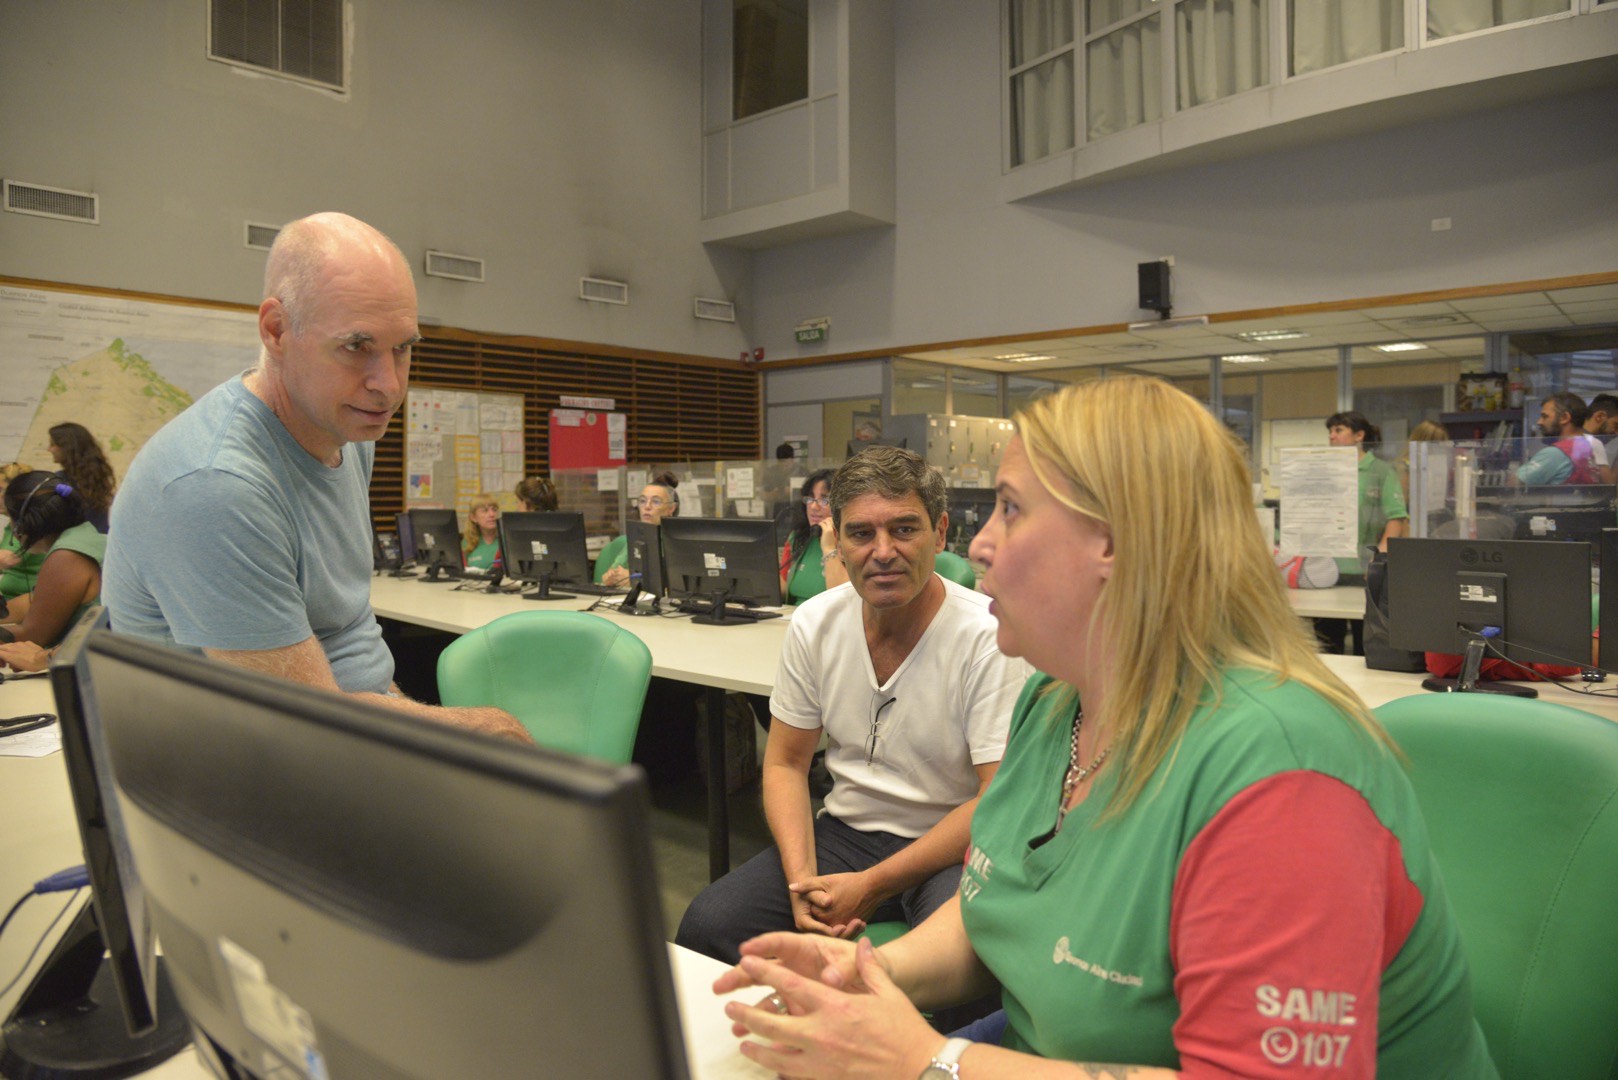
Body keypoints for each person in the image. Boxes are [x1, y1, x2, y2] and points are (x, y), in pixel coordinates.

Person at [712, 377, 1495, 1079]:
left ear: (1116, 542)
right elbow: (996, 910)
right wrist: (871, 972)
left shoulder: (1284, 776)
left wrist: (928, 1062)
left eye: (1011, 511)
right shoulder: (1057, 702)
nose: (979, 544)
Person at [102, 211, 528, 744]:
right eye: (357, 347)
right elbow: (308, 724)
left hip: (322, 750)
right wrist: (483, 731)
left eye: (404, 348)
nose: (389, 385)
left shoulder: (345, 435)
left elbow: (346, 647)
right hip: (233, 777)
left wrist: (424, 725)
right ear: (277, 331)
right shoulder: (216, 485)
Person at [677, 446, 1026, 981]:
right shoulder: (815, 623)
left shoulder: (986, 635)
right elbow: (787, 764)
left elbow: (993, 799)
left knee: (971, 963)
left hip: (949, 843)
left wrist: (874, 884)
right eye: (862, 534)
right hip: (846, 833)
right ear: (835, 539)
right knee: (708, 925)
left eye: (904, 530)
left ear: (940, 531)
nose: (883, 552)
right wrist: (802, 882)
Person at [0, 471, 106, 648]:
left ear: (22, 523)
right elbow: (38, 601)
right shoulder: (85, 535)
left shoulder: (66, 556)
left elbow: (33, 636)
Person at [779, 468, 849, 604]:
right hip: (792, 619)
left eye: (824, 500)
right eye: (810, 498)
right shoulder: (798, 538)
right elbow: (781, 589)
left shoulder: (852, 542)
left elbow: (842, 600)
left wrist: (829, 547)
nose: (813, 507)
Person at [598, 471, 679, 587]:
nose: (647, 507)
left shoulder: (675, 540)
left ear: (671, 508)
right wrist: (610, 577)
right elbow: (614, 571)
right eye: (642, 501)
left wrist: (633, 580)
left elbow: (676, 584)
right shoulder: (637, 536)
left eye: (655, 502)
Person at [1515, 392, 1604, 486]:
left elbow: (1515, 484)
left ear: (1564, 418)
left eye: (1545, 416)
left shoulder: (1556, 453)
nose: (1539, 422)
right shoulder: (1587, 446)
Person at [47, 422, 117, 532]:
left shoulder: (60, 481)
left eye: (52, 444)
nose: (49, 449)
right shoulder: (98, 476)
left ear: (66, 447)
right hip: (101, 541)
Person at [0, 461, 46, 602]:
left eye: (0, 490)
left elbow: (7, 557)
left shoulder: (31, 523)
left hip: (29, 604)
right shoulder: (12, 525)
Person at [461, 493, 502, 571]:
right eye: (485, 511)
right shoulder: (468, 542)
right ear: (473, 518)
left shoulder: (505, 540)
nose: (492, 514)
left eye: (494, 509)